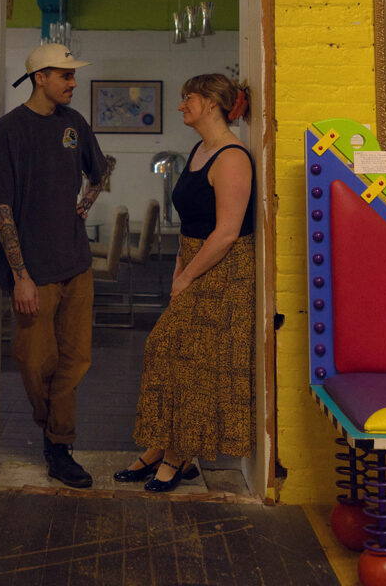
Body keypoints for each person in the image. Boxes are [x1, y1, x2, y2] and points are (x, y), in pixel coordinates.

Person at [114, 73, 254, 492]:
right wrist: (180, 266)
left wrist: (188, 275)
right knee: (167, 352)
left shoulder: (232, 157)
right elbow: (193, 223)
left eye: (187, 98)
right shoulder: (199, 150)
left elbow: (227, 232)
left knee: (194, 363)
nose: (181, 106)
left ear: (211, 103)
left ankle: (179, 455)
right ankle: (163, 447)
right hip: (195, 260)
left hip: (224, 268)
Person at [0, 42, 107, 489]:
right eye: (65, 76)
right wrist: (21, 275)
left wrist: (85, 204)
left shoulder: (74, 125)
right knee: (36, 361)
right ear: (41, 78)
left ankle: (59, 447)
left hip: (76, 263)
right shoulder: (9, 130)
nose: (73, 83)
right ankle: (50, 426)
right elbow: (2, 207)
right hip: (34, 271)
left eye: (73, 76)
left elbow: (98, 172)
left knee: (76, 359)